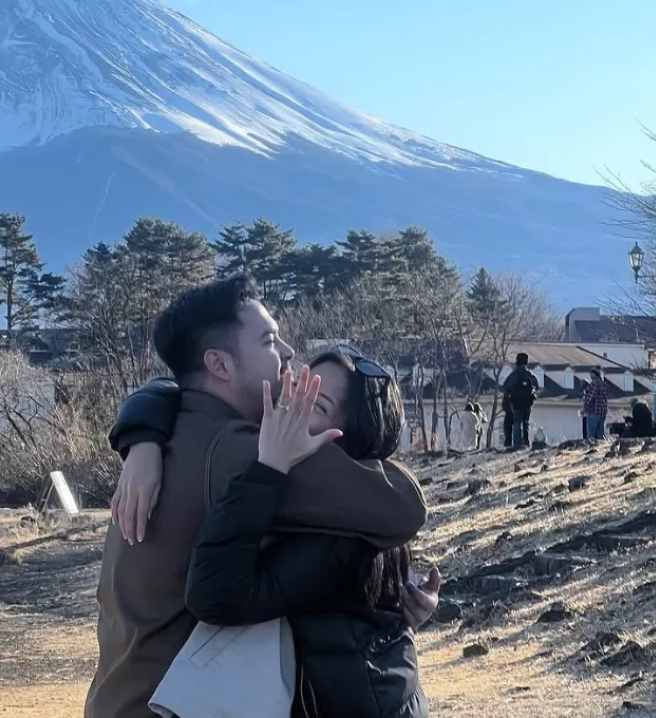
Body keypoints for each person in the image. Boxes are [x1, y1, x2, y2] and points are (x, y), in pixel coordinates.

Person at [84, 275, 432, 718]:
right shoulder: (244, 451)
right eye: (269, 340)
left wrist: (141, 426)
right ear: (220, 365)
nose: (288, 353)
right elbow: (402, 504)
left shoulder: (174, 431)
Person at [181, 347, 428, 717]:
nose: (290, 407)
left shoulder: (337, 531)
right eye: (296, 388)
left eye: (316, 403)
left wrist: (269, 469)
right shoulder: (350, 502)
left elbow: (215, 596)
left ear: (349, 437)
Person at [502, 353, 538, 448]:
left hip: (516, 403)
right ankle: (526, 443)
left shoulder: (514, 375)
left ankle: (517, 445)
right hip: (527, 403)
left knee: (517, 422)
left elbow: (506, 387)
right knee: (526, 423)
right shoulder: (530, 374)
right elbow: (536, 385)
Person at [582, 368, 609, 440]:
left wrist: (584, 409)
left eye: (591, 373)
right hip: (602, 412)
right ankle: (602, 448)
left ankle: (592, 448)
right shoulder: (604, 384)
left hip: (594, 411)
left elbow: (590, 397)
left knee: (591, 435)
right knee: (600, 434)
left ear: (594, 374)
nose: (590, 376)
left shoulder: (594, 383)